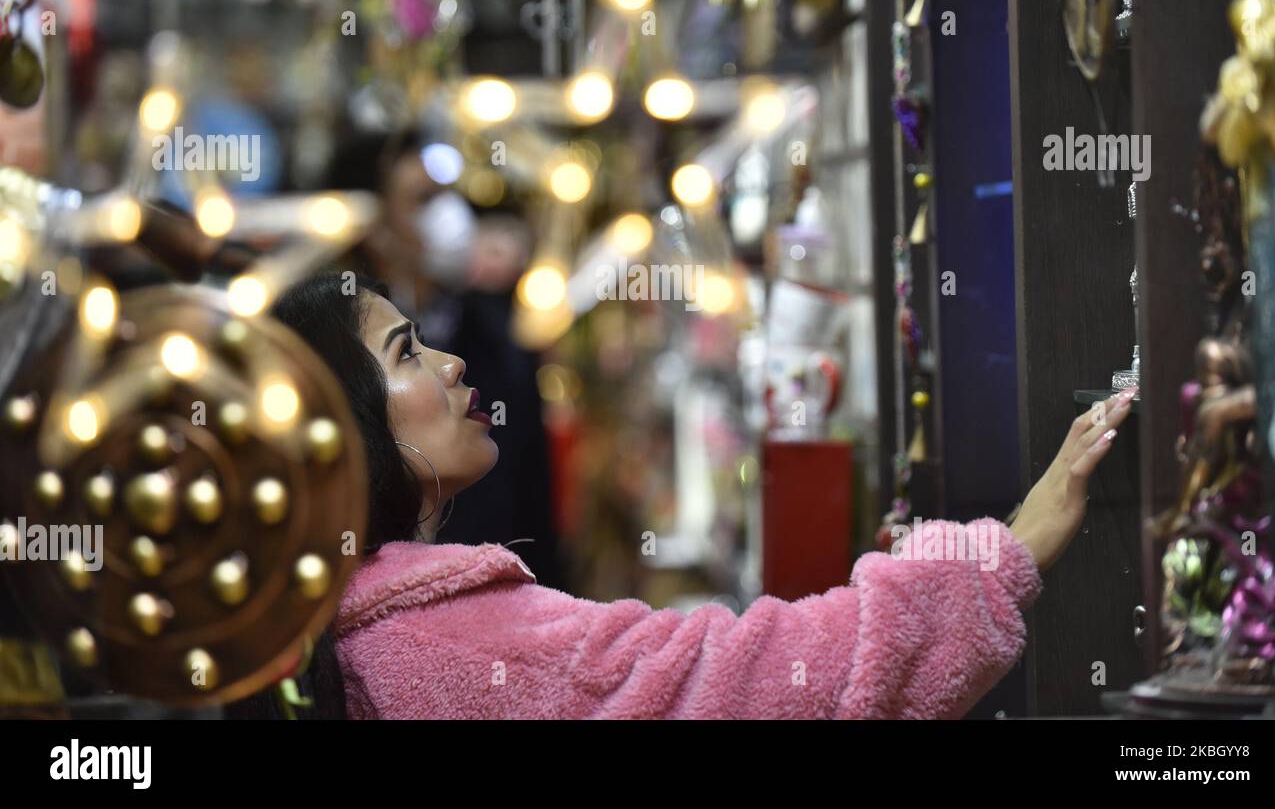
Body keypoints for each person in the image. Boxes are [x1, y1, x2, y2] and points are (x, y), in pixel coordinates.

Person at [255, 272, 1135, 719]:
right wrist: (993, 560)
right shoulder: (441, 634)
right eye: (406, 352)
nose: (450, 363)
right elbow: (742, 685)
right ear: (346, 422)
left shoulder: (363, 625)